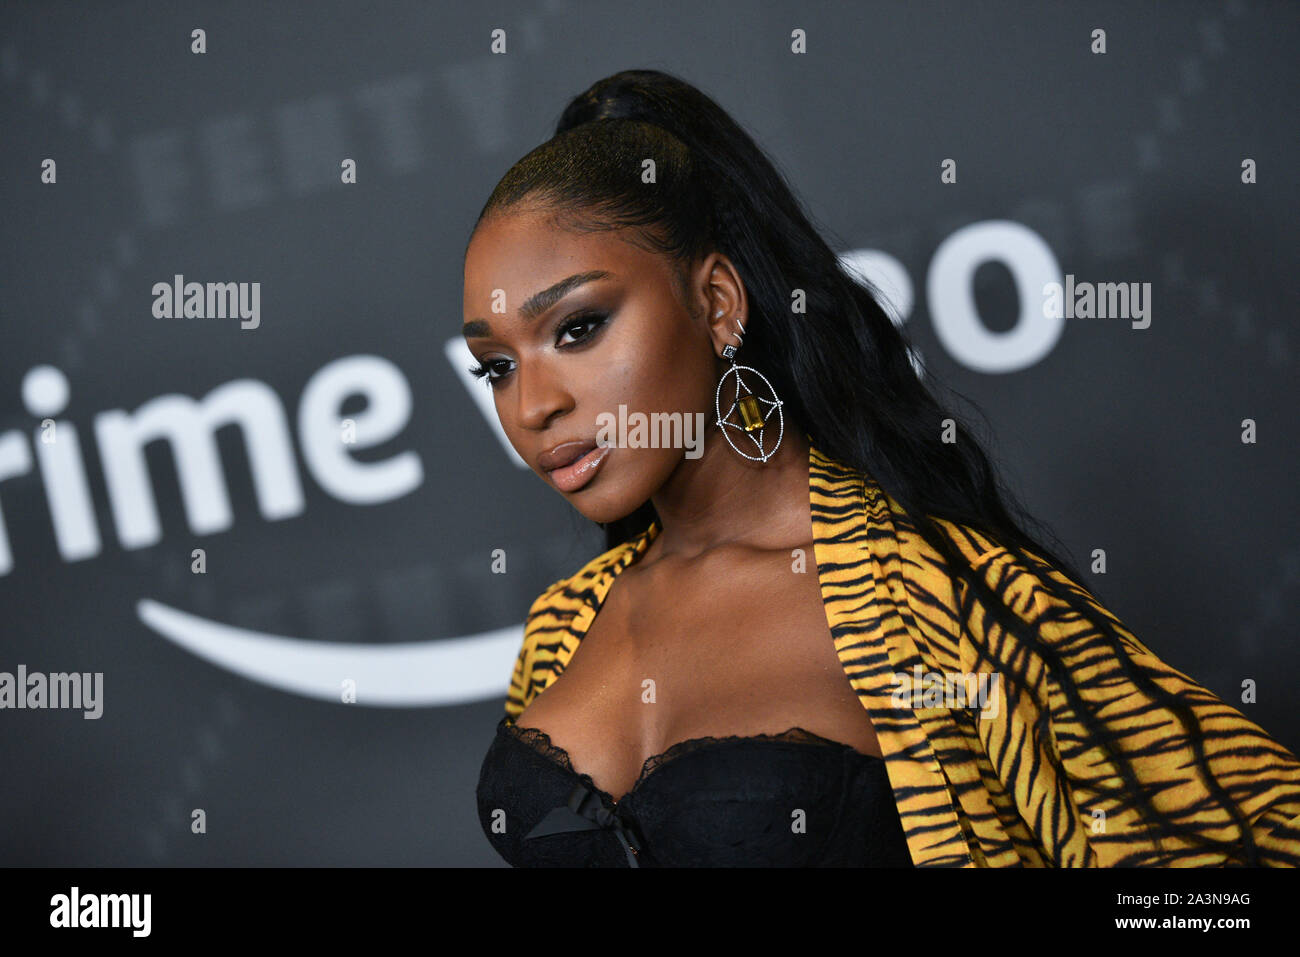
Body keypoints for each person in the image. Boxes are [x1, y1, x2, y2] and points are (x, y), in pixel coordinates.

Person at [467, 69, 1300, 867]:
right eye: (495, 366)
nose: (533, 404)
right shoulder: (562, 628)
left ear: (717, 302)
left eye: (577, 329)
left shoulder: (938, 600)